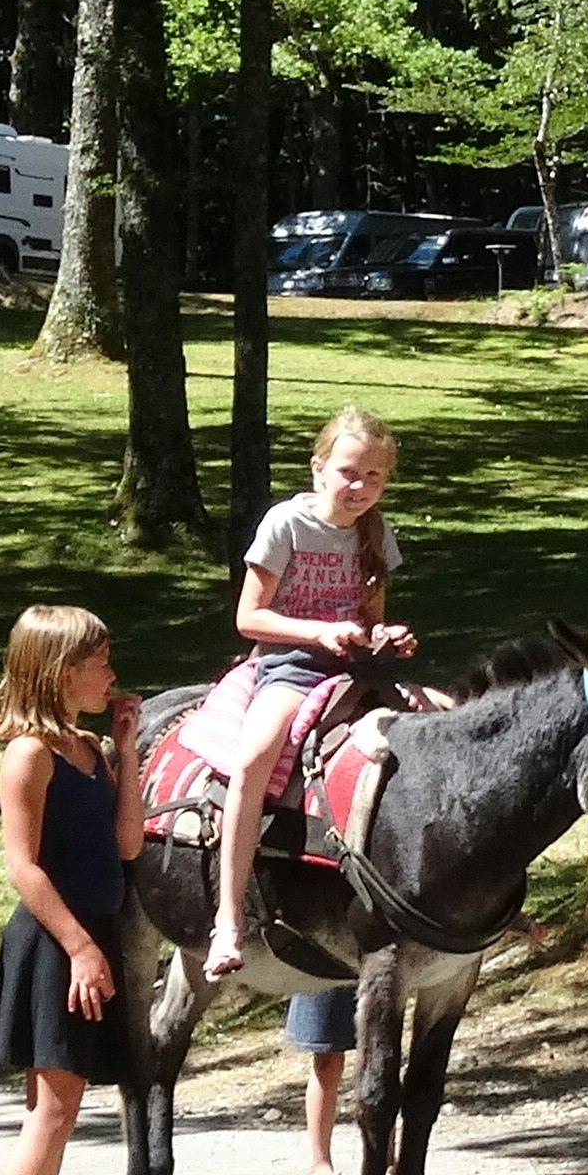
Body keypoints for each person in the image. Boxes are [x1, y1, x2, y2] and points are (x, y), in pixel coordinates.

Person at [0, 601, 145, 1175]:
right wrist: (78, 947)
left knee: (58, 1113)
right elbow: (23, 868)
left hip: (89, 934)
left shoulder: (87, 751)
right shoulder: (29, 755)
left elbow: (129, 846)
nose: (111, 672)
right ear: (60, 671)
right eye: (99, 662)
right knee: (50, 1114)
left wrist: (127, 751)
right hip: (53, 943)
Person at [205, 407, 415, 982]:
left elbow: (371, 618)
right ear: (318, 468)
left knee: (441, 724)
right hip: (290, 663)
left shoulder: (375, 531)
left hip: (357, 666)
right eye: (349, 472)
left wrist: (385, 636)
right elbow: (249, 618)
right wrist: (317, 632)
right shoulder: (285, 525)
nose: (361, 488)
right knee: (254, 758)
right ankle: (228, 915)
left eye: (375, 478)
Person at [283, 987, 354, 1175]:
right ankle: (321, 1167)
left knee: (380, 1059)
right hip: (328, 966)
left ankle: (386, 1166)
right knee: (327, 1060)